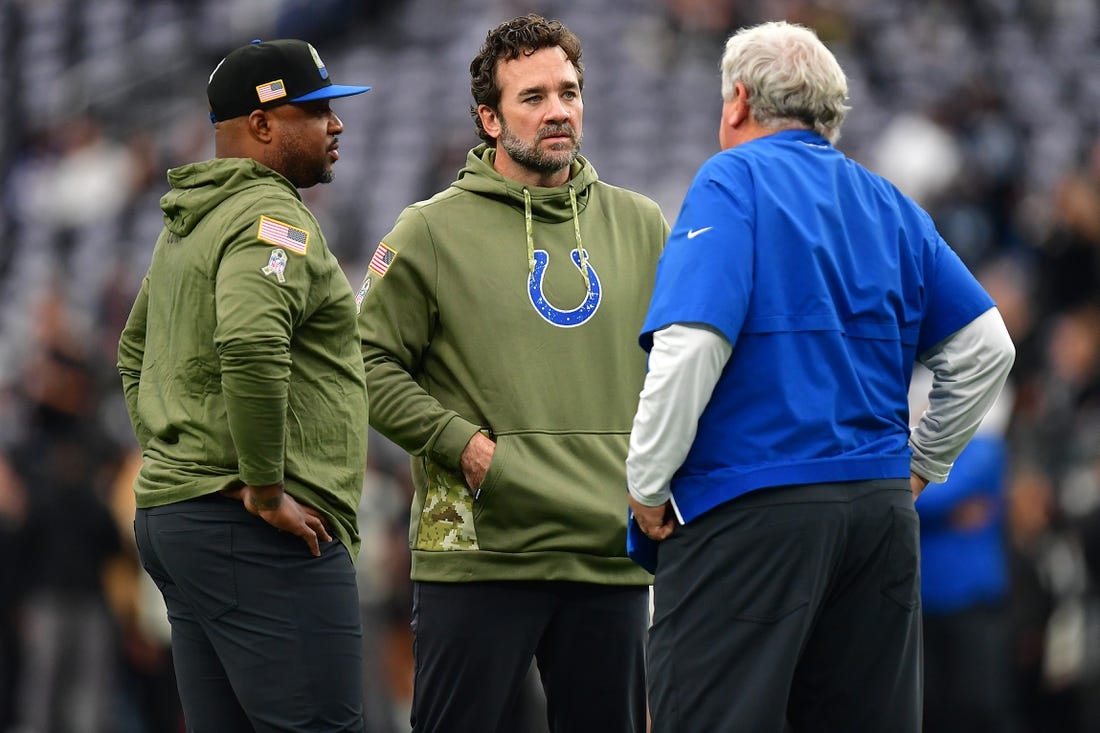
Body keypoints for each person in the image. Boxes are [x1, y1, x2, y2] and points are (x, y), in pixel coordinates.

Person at [625, 20, 1016, 733]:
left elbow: (694, 343)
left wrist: (647, 482)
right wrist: (922, 465)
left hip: (748, 509)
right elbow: (988, 347)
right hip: (877, 516)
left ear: (738, 101)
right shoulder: (888, 201)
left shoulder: (730, 179)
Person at [356, 14, 668, 733]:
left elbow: (676, 369)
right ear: (489, 119)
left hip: (607, 552)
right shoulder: (428, 231)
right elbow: (363, 358)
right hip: (480, 554)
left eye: (569, 91)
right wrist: (463, 444)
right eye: (533, 97)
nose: (558, 109)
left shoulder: (643, 223)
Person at [117, 38, 372, 732]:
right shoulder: (273, 216)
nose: (335, 123)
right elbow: (253, 343)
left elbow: (132, 353)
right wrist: (260, 483)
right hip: (255, 525)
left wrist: (181, 458)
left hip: (183, 517)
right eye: (315, 109)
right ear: (262, 125)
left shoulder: (190, 220)